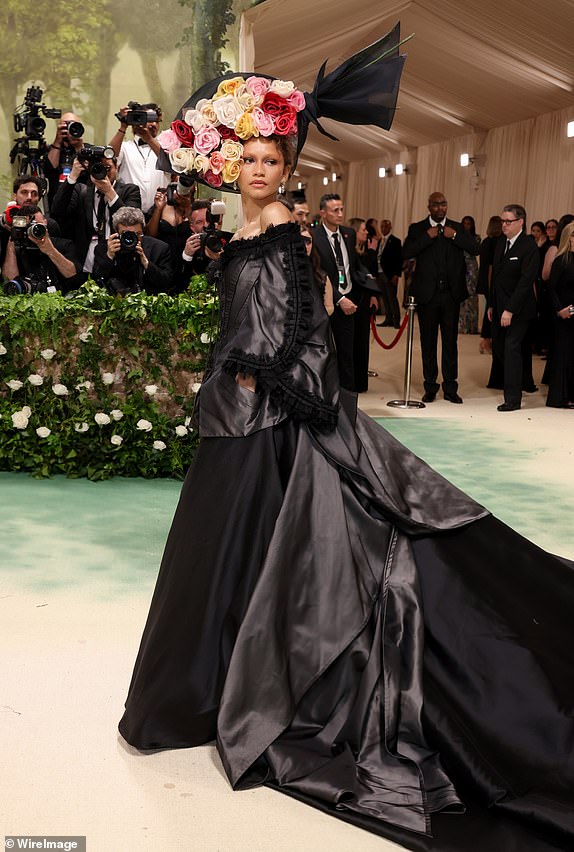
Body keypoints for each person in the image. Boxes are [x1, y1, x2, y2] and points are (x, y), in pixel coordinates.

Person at [118, 39, 574, 852]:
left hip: (264, 422)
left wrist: (264, 386)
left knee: (286, 555)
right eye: (248, 158)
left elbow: (303, 332)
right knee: (226, 558)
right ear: (234, 165)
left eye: (271, 159)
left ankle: (240, 689)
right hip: (237, 415)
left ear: (288, 165)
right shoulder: (247, 224)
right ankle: (211, 686)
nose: (259, 170)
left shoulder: (286, 231)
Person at [403, 192, 480, 403]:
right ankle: (430, 386)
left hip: (450, 295)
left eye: (443, 204)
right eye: (436, 205)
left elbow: (475, 248)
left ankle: (450, 387)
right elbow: (406, 252)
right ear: (429, 207)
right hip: (427, 295)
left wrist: (454, 235)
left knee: (450, 342)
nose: (440, 208)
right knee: (428, 342)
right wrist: (426, 237)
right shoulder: (417, 228)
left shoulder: (457, 227)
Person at [312, 195, 373, 392]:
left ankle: (348, 396)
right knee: (323, 352)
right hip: (326, 303)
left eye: (341, 209)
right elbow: (317, 272)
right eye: (334, 210)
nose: (340, 214)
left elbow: (352, 265)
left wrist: (368, 280)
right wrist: (339, 299)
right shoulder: (314, 237)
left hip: (349, 300)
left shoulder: (348, 234)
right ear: (323, 213)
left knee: (348, 352)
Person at [50, 150, 141, 275]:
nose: (104, 173)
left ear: (117, 168)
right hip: (84, 256)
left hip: (118, 257)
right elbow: (57, 211)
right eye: (99, 168)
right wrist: (73, 176)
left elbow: (130, 221)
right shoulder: (82, 190)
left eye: (108, 168)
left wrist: (109, 192)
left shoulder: (130, 190)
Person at [488, 204, 539, 411]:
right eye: (502, 221)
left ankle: (513, 399)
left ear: (521, 222)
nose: (504, 225)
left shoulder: (529, 247)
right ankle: (520, 381)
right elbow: (496, 278)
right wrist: (492, 305)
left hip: (519, 309)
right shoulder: (501, 243)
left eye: (508, 221)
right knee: (500, 349)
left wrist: (509, 309)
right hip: (499, 307)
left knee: (511, 348)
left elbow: (526, 283)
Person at [1, 204, 82, 293]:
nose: (34, 231)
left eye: (38, 226)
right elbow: (9, 281)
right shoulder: (17, 248)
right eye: (29, 227)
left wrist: (50, 250)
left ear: (46, 222)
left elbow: (73, 275)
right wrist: (12, 242)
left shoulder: (64, 245)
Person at [93, 206, 172, 295]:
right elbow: (96, 281)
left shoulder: (159, 248)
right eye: (126, 234)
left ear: (143, 232)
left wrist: (146, 262)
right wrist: (109, 256)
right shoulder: (104, 248)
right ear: (116, 233)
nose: (131, 239)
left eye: (137, 234)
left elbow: (166, 283)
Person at [108, 102, 170, 213]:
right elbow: (109, 156)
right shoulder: (126, 147)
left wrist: (149, 139)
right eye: (149, 120)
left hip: (159, 211)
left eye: (156, 121)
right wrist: (123, 126)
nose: (153, 125)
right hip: (128, 210)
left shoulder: (166, 146)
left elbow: (169, 163)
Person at [546, 220, 574, 407]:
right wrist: (559, 310)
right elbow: (550, 288)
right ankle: (561, 396)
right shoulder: (561, 260)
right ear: (567, 237)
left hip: (573, 311)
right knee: (564, 354)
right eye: (573, 235)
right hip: (564, 315)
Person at [477, 214, 502, 354]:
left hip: (486, 281)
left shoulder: (486, 242)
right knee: (491, 311)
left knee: (490, 309)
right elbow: (491, 267)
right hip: (491, 281)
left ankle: (486, 340)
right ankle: (486, 340)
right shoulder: (497, 242)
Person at [300, 225, 334, 315]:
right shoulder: (283, 273)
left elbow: (330, 307)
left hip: (318, 326)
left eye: (308, 242)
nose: (305, 246)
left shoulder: (321, 276)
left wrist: (315, 318)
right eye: (301, 241)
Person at [376, 217, 403, 328]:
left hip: (390, 274)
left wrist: (396, 274)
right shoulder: (379, 241)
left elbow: (399, 259)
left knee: (392, 298)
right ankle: (388, 319)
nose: (383, 228)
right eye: (382, 226)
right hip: (379, 273)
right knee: (385, 298)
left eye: (386, 226)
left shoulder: (395, 241)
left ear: (390, 227)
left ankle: (396, 320)